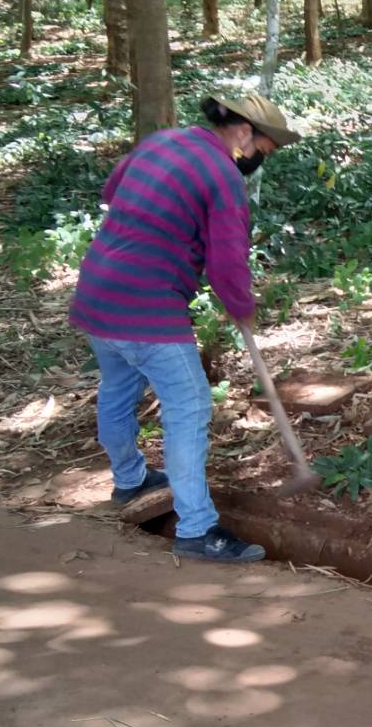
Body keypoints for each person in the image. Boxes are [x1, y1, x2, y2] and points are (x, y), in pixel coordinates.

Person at [69, 93, 302, 564]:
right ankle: (197, 529)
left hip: (97, 293)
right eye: (263, 150)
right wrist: (241, 306)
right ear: (243, 133)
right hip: (146, 306)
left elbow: (112, 193)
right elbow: (226, 260)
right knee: (189, 406)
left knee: (117, 386)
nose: (257, 161)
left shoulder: (160, 142)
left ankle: (129, 480)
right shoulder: (221, 177)